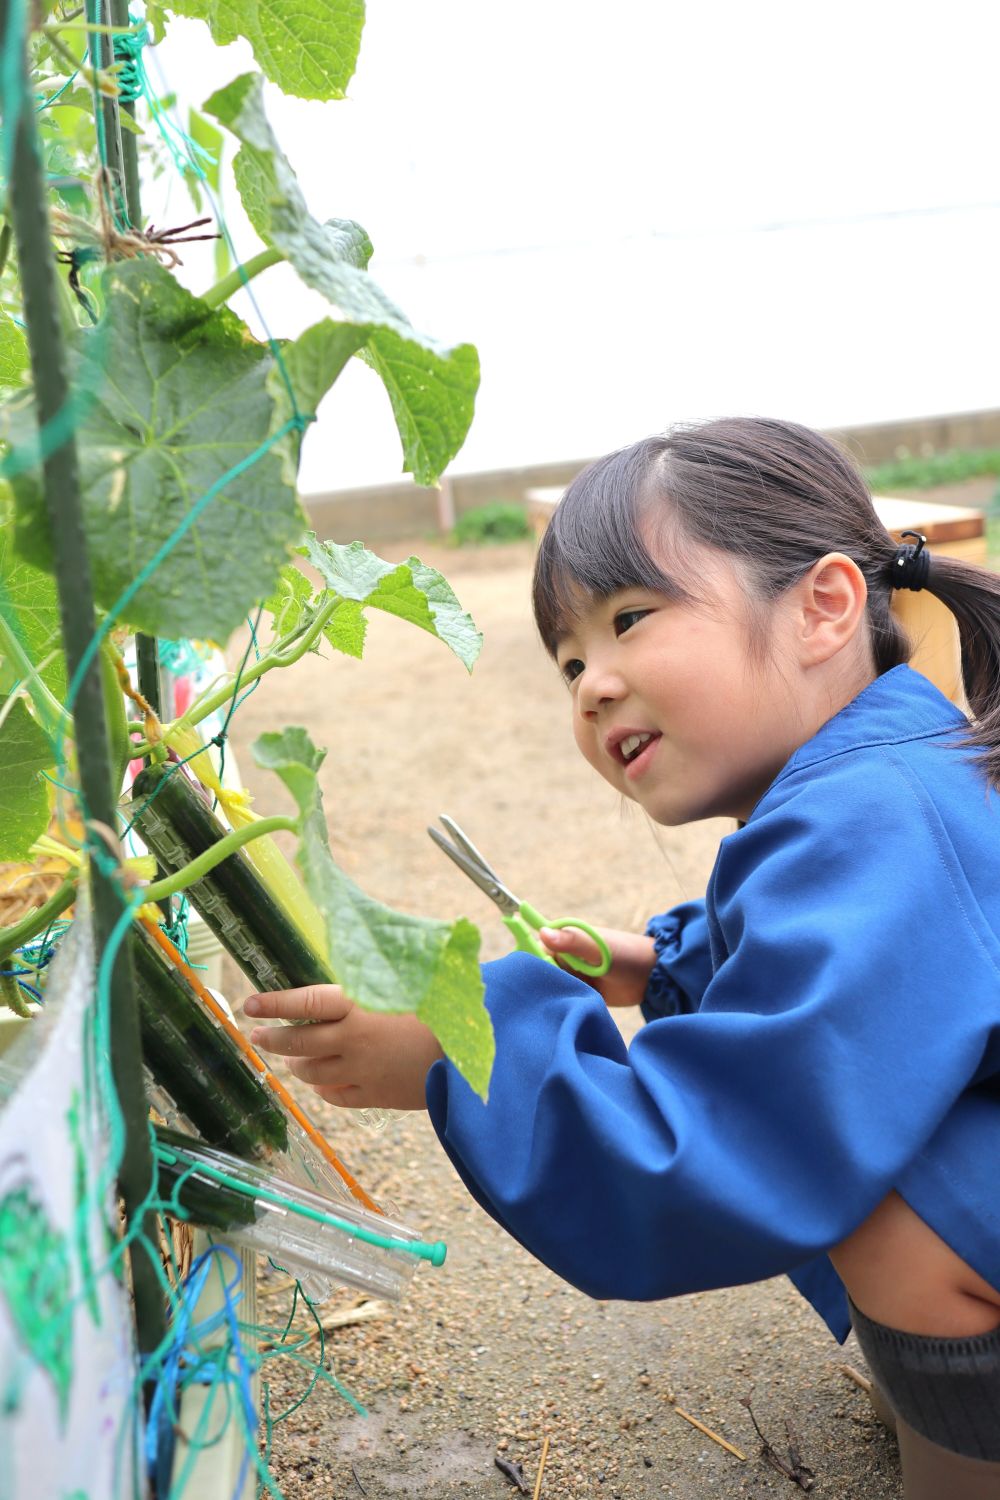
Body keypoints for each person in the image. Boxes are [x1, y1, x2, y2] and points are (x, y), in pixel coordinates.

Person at [244, 419, 1000, 1498]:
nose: (591, 686)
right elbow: (835, 982)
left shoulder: (876, 819)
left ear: (824, 607)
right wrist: (665, 964)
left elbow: (720, 1145)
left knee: (901, 1203)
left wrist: (461, 1047)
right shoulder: (884, 773)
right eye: (568, 664)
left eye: (629, 620)